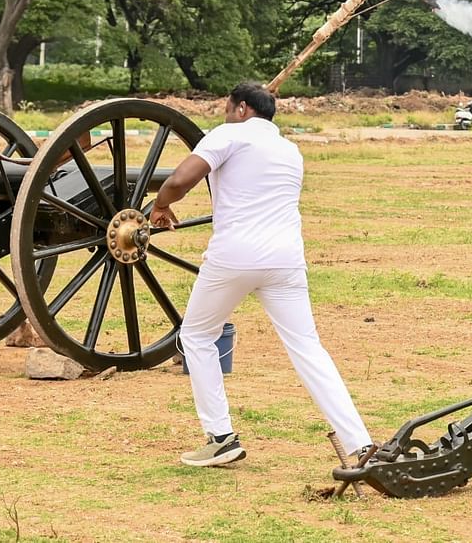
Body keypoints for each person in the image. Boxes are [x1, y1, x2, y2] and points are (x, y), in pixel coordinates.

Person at [151, 81, 373, 467]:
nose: (223, 116)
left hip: (235, 256)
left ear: (241, 110)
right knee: (308, 348)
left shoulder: (227, 135)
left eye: (226, 109)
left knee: (197, 335)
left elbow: (179, 180)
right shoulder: (290, 150)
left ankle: (220, 436)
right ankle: (360, 442)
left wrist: (159, 205)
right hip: (286, 260)